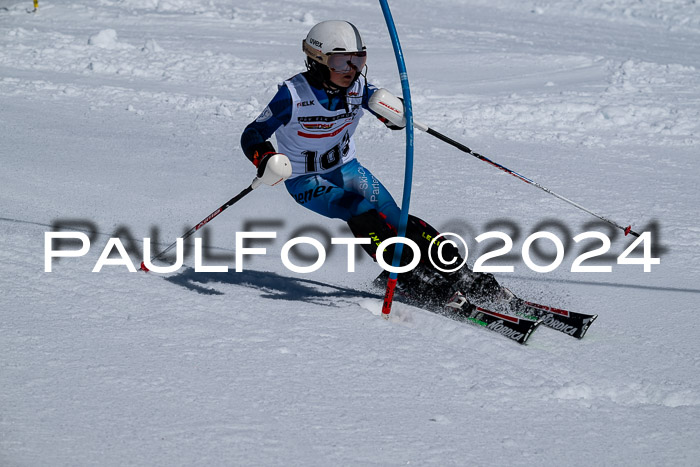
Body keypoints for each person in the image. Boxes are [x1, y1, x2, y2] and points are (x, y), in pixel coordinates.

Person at [240, 20, 507, 311]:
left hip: (346, 168)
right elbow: (252, 134)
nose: (352, 70)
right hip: (305, 180)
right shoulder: (292, 95)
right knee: (359, 209)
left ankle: (462, 275)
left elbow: (394, 116)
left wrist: (398, 112)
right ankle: (410, 277)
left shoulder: (359, 87)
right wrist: (265, 158)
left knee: (396, 218)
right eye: (342, 62)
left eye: (358, 60)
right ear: (318, 61)